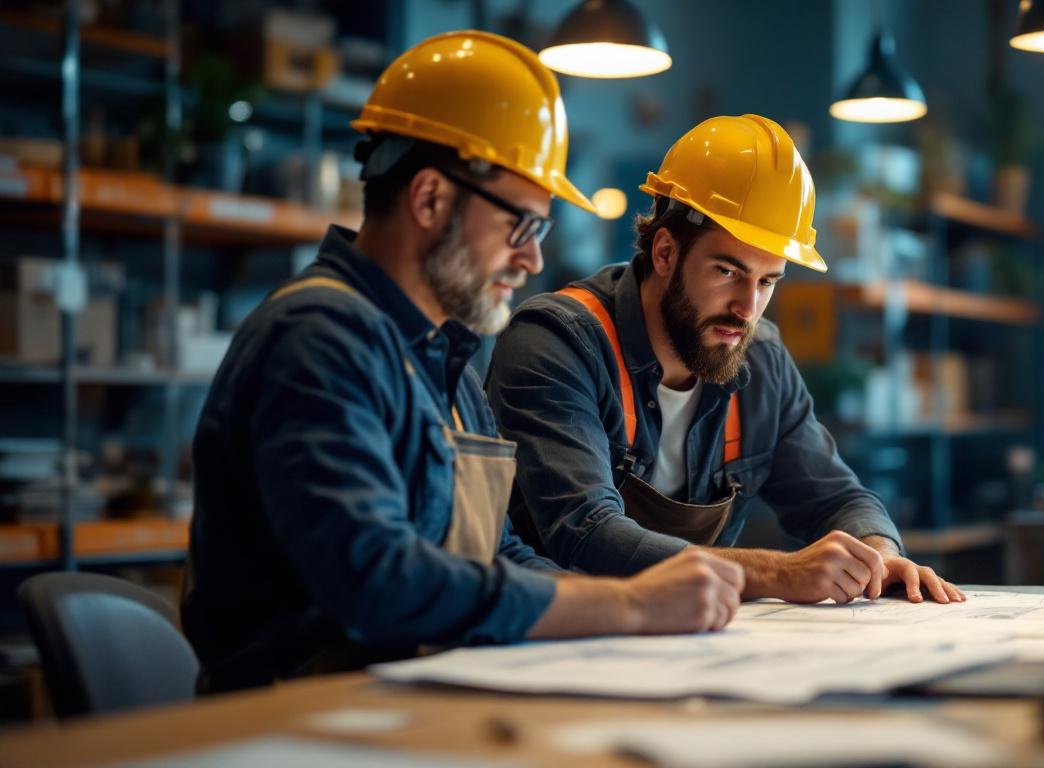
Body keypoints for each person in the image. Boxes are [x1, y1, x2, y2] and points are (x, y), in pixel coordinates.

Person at [181, 31, 743, 694]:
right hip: (291, 722)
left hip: (405, 700)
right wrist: (630, 606)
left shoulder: (443, 360)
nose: (533, 260)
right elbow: (378, 582)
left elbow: (495, 555)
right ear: (429, 199)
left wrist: (638, 611)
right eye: (523, 225)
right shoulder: (319, 339)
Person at [489, 114, 965, 606]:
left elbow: (839, 498)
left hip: (694, 643)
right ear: (666, 252)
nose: (747, 308)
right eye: (727, 271)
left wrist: (877, 555)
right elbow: (587, 533)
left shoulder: (761, 361)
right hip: (555, 642)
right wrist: (775, 572)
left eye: (767, 282)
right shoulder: (557, 342)